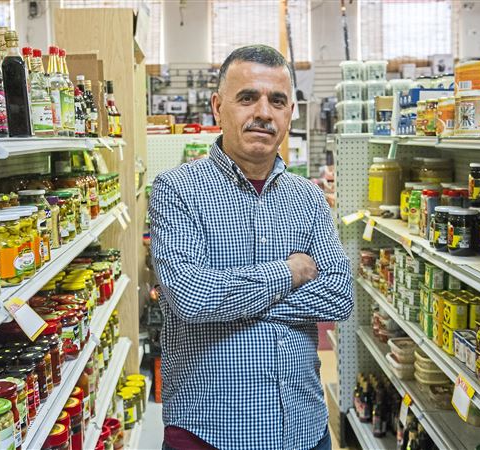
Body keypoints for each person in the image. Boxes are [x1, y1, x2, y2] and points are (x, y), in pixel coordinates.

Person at [149, 44, 354, 450]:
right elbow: (191, 297)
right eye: (247, 98)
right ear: (217, 106)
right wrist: (290, 273)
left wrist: (230, 304)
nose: (263, 112)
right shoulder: (176, 190)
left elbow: (339, 296)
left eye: (277, 100)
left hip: (302, 428)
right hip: (207, 432)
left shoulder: (308, 198)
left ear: (289, 112)